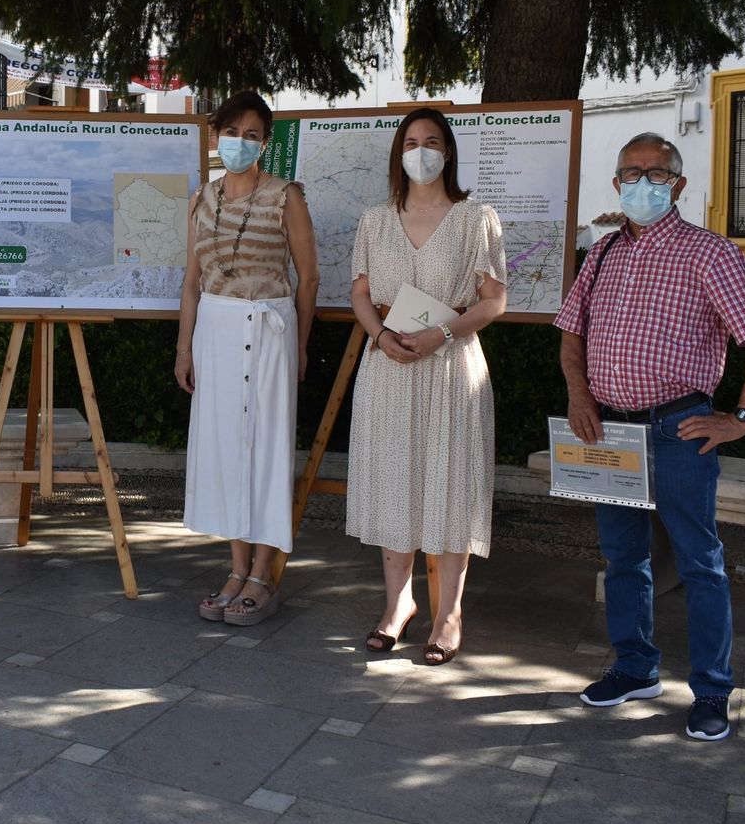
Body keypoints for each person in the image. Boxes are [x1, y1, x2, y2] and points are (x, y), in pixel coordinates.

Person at [556, 131, 745, 742]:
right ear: (616, 182)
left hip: (681, 428)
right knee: (623, 557)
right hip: (611, 430)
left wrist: (741, 417)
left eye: (656, 174)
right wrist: (579, 395)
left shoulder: (710, 253)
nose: (642, 183)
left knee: (700, 563)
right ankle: (635, 668)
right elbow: (572, 332)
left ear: (677, 185)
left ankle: (711, 690)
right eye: (631, 173)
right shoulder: (603, 254)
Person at [345, 107, 507, 665]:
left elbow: (494, 300)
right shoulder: (375, 220)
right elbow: (360, 294)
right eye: (411, 142)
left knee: (451, 481)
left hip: (451, 365)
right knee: (394, 480)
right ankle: (398, 604)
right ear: (399, 152)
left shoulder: (476, 218)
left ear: (448, 150)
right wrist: (379, 335)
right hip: (388, 365)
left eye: (432, 141)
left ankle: (448, 614)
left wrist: (443, 331)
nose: (421, 151)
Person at [175, 91, 319, 626]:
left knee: (266, 448)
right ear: (217, 136)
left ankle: (263, 573)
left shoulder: (286, 197)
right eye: (232, 132)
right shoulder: (201, 199)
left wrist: (300, 345)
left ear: (265, 142)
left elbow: (309, 278)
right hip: (215, 330)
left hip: (270, 328)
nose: (241, 142)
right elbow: (191, 283)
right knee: (226, 449)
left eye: (252, 134)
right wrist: (184, 348)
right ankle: (236, 569)